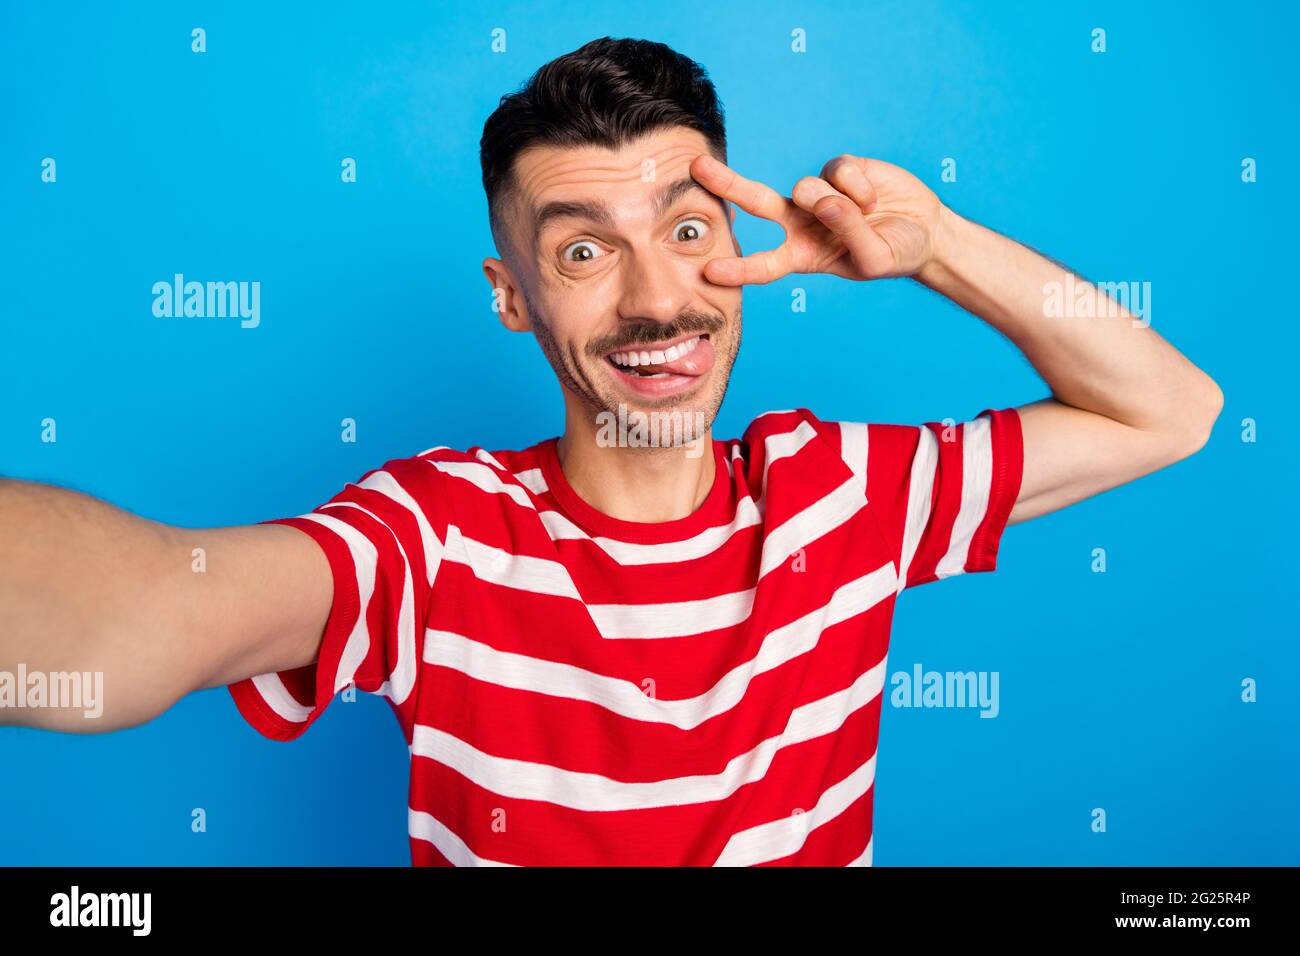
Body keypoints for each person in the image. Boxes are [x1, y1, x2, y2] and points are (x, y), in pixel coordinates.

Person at [0, 37, 1222, 866]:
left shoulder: (840, 496)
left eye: (689, 230)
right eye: (583, 251)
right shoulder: (437, 539)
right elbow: (136, 613)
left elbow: (1166, 410)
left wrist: (939, 242)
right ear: (513, 296)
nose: (656, 301)